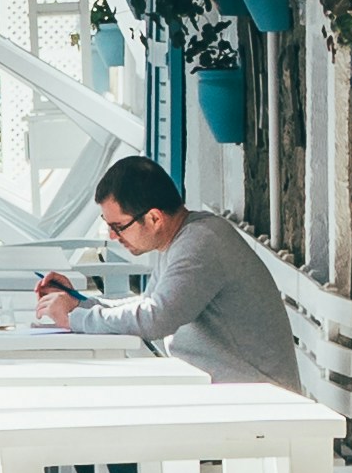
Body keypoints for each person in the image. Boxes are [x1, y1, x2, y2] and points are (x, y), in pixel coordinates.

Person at [27, 155, 297, 389]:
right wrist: (81, 302)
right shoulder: (182, 239)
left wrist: (76, 318)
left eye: (119, 226)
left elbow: (156, 319)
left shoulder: (201, 243)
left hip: (257, 399)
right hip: (225, 390)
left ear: (155, 218)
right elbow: (149, 304)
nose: (112, 236)